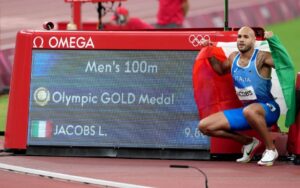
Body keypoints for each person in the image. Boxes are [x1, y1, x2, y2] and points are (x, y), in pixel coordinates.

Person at [197, 26, 284, 166]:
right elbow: (219, 70)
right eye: (239, 37)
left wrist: (274, 42)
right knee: (204, 126)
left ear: (254, 40)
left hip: (269, 109)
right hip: (247, 111)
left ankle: (271, 149)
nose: (241, 40)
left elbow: (283, 65)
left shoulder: (262, 57)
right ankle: (248, 142)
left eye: (246, 37)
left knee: (250, 111)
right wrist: (208, 52)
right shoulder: (233, 58)